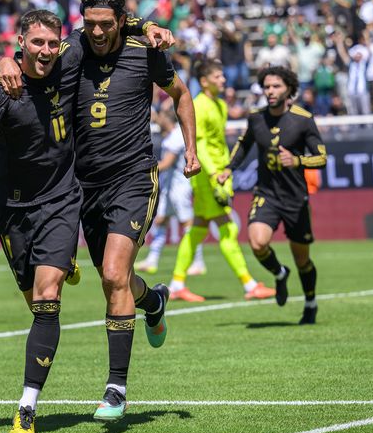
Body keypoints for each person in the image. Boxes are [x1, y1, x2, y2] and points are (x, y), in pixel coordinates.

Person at [0, 0, 198, 422]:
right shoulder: (71, 51)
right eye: (90, 24)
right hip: (81, 187)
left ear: (123, 21)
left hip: (132, 179)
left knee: (111, 274)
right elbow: (34, 58)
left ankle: (116, 388)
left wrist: (191, 150)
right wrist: (4, 61)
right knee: (118, 280)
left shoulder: (146, 51)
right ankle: (154, 302)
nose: (98, 31)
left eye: (107, 23)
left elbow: (181, 95)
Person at [0, 10, 82, 433]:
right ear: (21, 42)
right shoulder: (0, 88)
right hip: (13, 208)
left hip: (61, 198)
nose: (47, 51)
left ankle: (26, 407)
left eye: (52, 44)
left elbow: (103, 23)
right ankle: (62, 260)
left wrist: (147, 27)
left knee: (48, 296)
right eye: (37, 43)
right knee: (36, 305)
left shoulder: (68, 57)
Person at [217, 66, 327, 325]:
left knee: (303, 260)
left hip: (295, 198)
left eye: (276, 86)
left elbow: (322, 157)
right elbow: (244, 145)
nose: (270, 91)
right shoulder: (256, 118)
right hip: (266, 193)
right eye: (267, 87)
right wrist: (228, 169)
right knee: (257, 243)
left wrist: (298, 160)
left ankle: (310, 303)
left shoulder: (303, 119)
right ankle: (279, 273)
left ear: (289, 88)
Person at [171, 60, 274, 302]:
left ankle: (177, 284)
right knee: (227, 226)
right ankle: (249, 285)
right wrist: (213, 173)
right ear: (204, 81)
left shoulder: (219, 105)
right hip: (209, 175)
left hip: (217, 173)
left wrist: (225, 169)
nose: (223, 80)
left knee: (198, 228)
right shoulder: (199, 105)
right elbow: (201, 144)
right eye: (218, 76)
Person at [136, 108, 207, 291]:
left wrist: (142, 170)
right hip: (169, 188)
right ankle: (152, 260)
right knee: (160, 221)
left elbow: (167, 163)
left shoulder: (176, 136)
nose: (156, 119)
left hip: (179, 188)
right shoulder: (170, 135)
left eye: (159, 116)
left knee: (188, 223)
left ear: (166, 118)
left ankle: (198, 262)